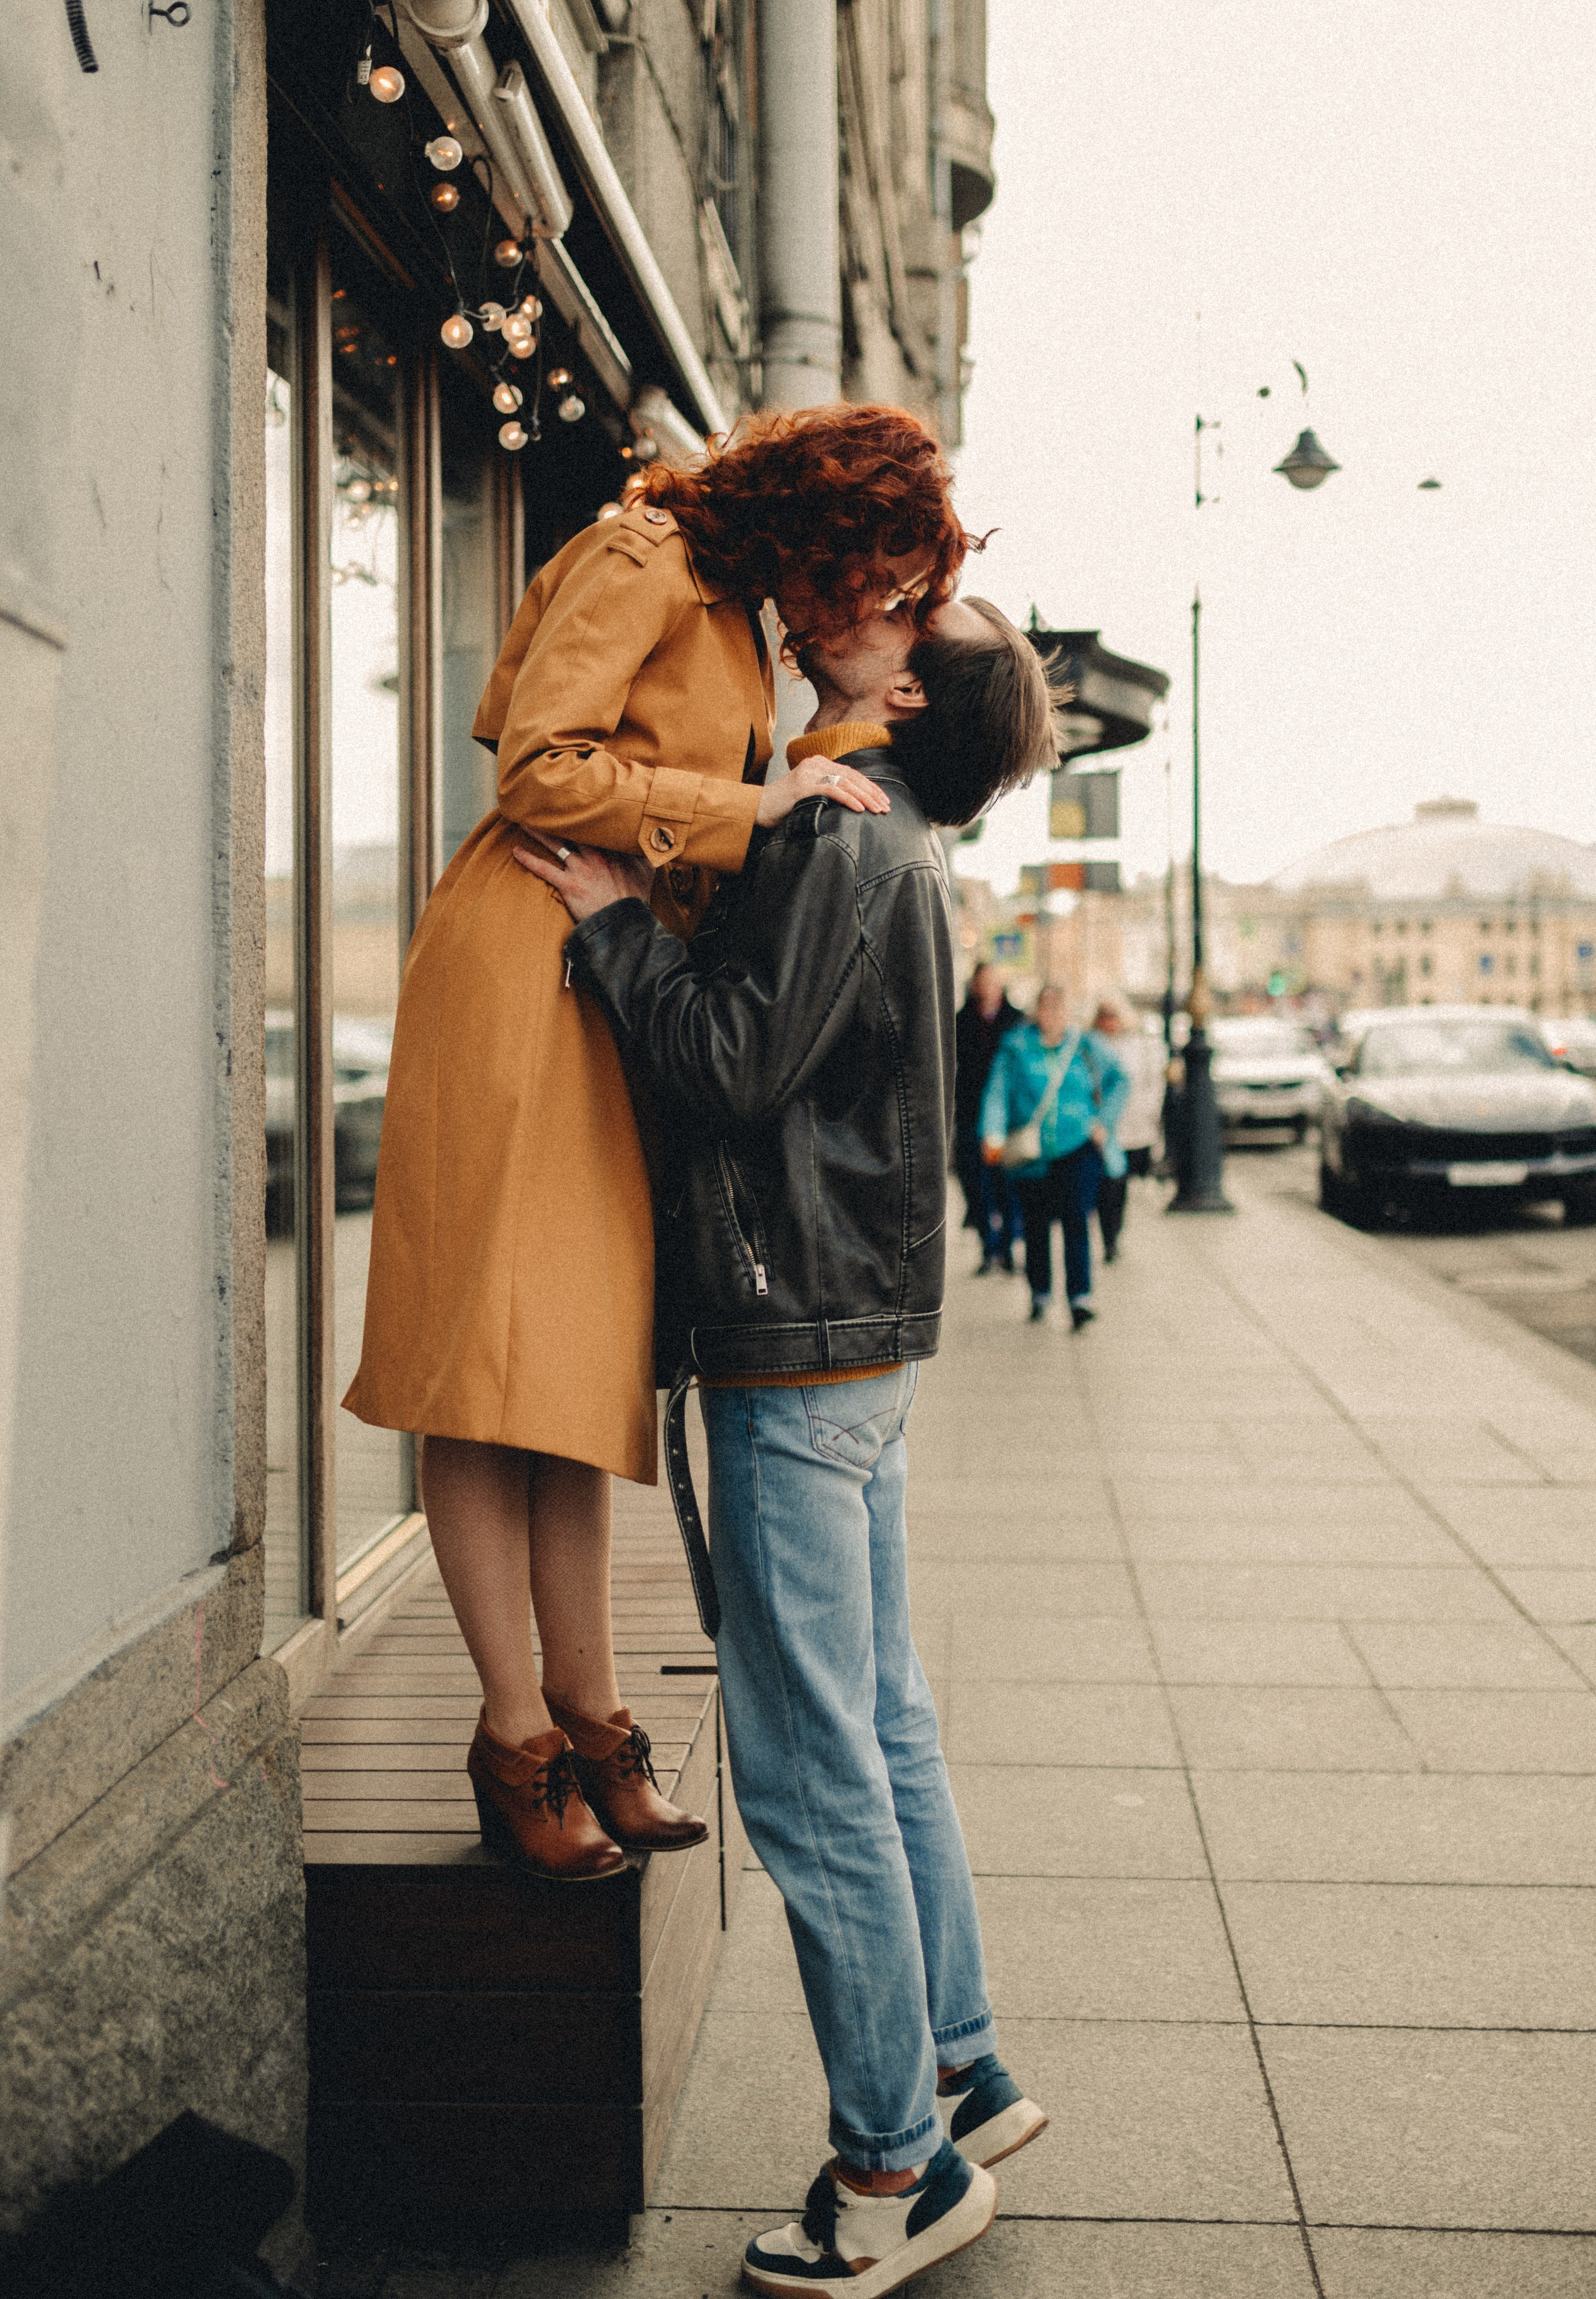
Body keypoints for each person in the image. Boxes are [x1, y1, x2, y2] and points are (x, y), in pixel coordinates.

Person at [515, 592, 1060, 2298]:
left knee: (814, 1760)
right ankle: (965, 2062)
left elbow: (732, 1068)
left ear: (903, 691)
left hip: (796, 1344)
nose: (876, 603)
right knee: (883, 1721)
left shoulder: (848, 834)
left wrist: (615, 927)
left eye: (913, 613)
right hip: (857, 1332)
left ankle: (893, 2163)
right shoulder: (862, 817)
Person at [343, 406, 968, 1879]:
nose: (865, 609)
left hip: (609, 975)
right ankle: (518, 1737)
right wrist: (752, 805)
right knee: (485, 1369)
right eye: (866, 573)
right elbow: (536, 773)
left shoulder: (736, 610)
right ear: (815, 527)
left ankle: (595, 1707)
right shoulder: (642, 555)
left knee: (567, 1372)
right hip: (524, 964)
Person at [979, 986, 1128, 1330]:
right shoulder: (1015, 1048)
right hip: (1032, 1154)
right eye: (1047, 1008)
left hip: (1077, 1147)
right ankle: (1040, 1292)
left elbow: (1121, 1079)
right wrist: (993, 1132)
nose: (1053, 1015)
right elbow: (997, 1093)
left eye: (1060, 1009)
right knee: (1035, 1224)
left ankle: (1080, 1297)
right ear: (1037, 1011)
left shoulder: (1086, 1045)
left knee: (1077, 1218)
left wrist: (1103, 1122)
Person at [954, 964, 1026, 1272]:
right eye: (982, 982)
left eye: (992, 982)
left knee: (1007, 1183)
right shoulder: (960, 1021)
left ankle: (1009, 1246)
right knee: (975, 1183)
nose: (986, 987)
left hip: (1007, 1120)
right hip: (970, 1114)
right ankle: (988, 1247)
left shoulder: (1016, 1021)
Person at [1090, 996, 1166, 1260]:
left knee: (1119, 1181)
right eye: (1104, 1015)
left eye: (1114, 1015)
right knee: (1109, 1181)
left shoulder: (1139, 1045)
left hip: (1132, 1125)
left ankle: (1113, 1233)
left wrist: (1150, 1110)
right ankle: (1109, 1237)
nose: (1110, 1021)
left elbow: (1152, 1081)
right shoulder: (1091, 1045)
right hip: (1102, 1127)